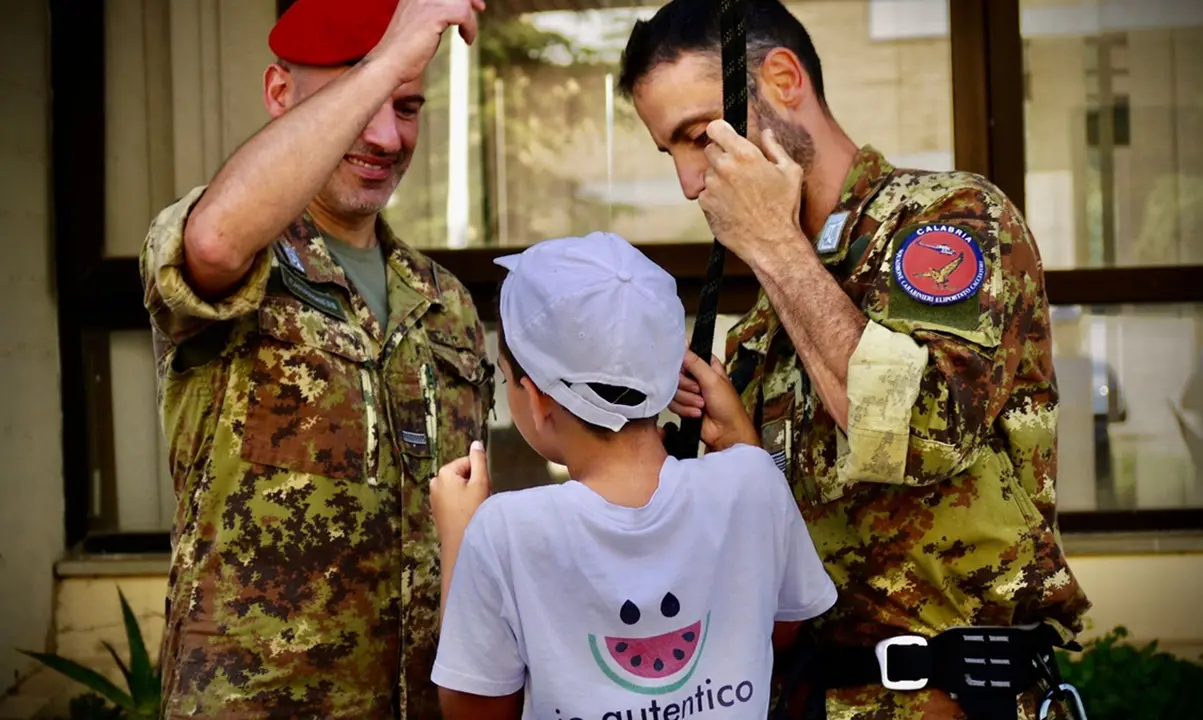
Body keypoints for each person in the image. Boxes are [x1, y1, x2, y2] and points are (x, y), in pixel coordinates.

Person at [616, 1, 1092, 718]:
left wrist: (773, 244)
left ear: (782, 79)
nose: (689, 181)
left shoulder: (947, 220)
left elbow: (921, 435)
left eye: (698, 135)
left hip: (949, 698)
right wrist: (741, 451)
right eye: (670, 152)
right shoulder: (764, 320)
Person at [137, 0, 492, 716]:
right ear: (280, 93)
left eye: (408, 106)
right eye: (358, 95)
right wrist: (390, 60)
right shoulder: (245, 256)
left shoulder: (445, 301)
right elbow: (212, 246)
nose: (386, 137)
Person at [426, 232, 839, 719]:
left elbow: (472, 709)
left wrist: (459, 539)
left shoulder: (504, 532)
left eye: (504, 377)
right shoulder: (752, 479)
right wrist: (738, 441)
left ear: (536, 399)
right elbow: (776, 627)